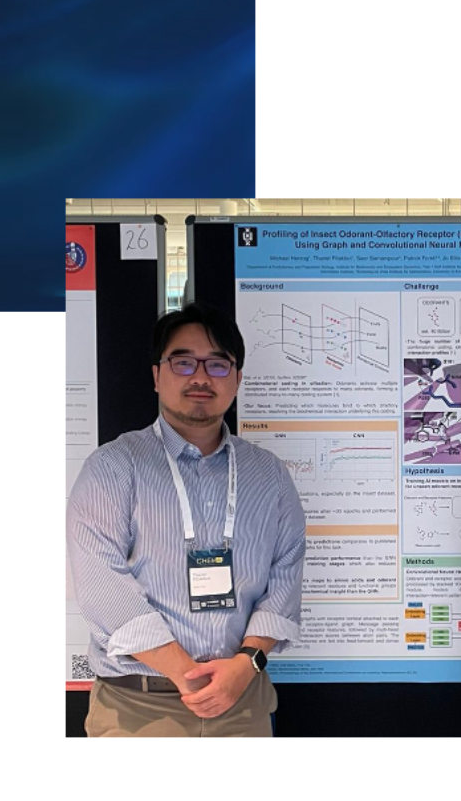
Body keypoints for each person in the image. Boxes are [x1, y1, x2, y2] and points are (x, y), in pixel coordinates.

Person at [67, 304, 307, 736]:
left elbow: (284, 580)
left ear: (237, 378)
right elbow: (102, 588)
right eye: (183, 362)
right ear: (157, 376)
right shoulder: (113, 467)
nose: (200, 377)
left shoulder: (269, 475)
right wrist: (188, 675)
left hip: (243, 704)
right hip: (139, 710)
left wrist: (245, 665)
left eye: (217, 364)